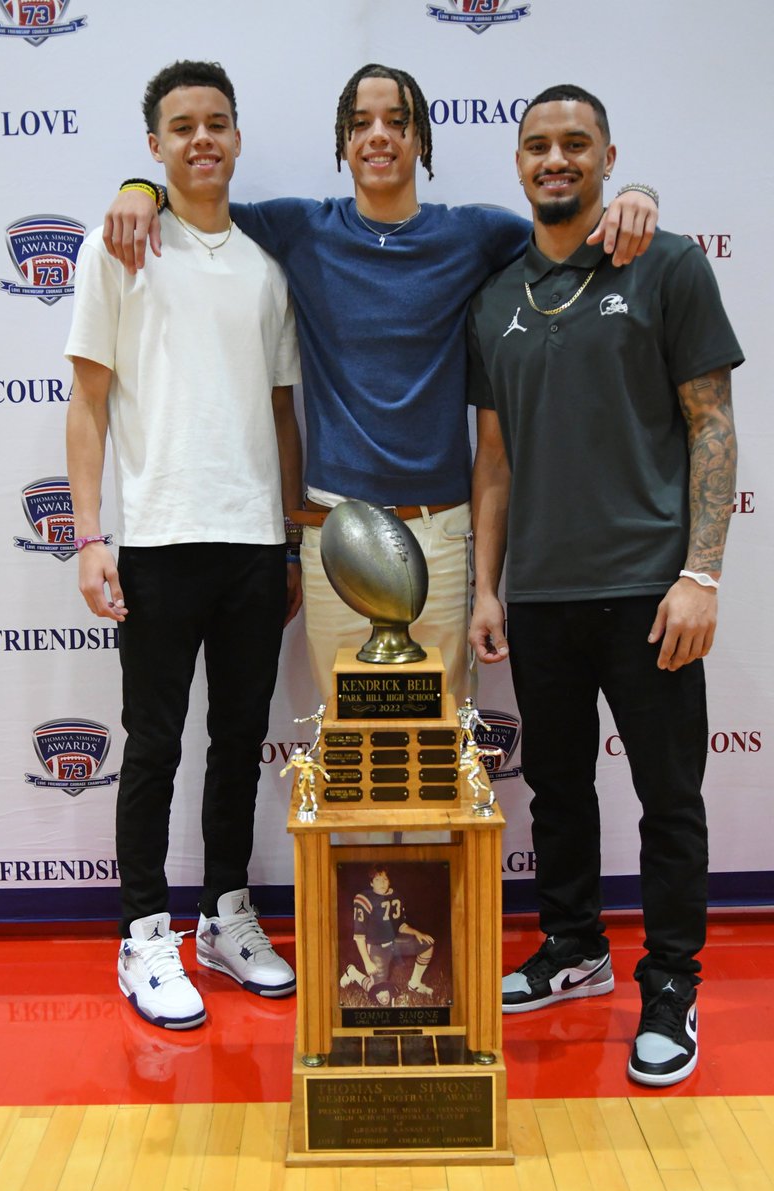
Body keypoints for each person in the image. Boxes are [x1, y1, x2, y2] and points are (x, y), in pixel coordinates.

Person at [101, 63, 659, 706]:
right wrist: (140, 187)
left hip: (443, 534)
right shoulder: (301, 228)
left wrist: (637, 192)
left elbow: (569, 225)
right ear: (342, 142)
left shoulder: (474, 234)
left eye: (398, 122)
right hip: (336, 534)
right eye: (361, 123)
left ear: (421, 140)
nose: (379, 136)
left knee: (437, 742)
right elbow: (200, 194)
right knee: (349, 745)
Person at [467, 85, 742, 1086]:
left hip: (647, 591)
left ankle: (668, 985)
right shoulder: (494, 296)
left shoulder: (662, 262)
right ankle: (573, 948)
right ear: (517, 163)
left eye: (574, 144)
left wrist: (699, 572)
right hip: (538, 594)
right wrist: (487, 590)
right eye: (537, 145)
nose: (555, 159)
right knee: (555, 789)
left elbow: (708, 424)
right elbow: (491, 461)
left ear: (605, 155)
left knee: (668, 797)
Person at [65, 61, 302, 1030]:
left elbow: (283, 417)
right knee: (155, 745)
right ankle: (142, 934)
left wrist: (288, 541)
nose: (201, 139)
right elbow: (85, 405)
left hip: (252, 544)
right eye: (180, 127)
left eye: (216, 123)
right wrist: (87, 539)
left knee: (239, 744)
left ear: (236, 138)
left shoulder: (264, 267)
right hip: (158, 541)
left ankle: (225, 916)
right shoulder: (117, 244)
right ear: (155, 147)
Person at [339, 864, 436, 1000]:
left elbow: (401, 925)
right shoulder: (364, 899)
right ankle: (353, 973)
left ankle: (415, 983)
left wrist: (417, 933)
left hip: (396, 942)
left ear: (389, 881)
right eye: (377, 880)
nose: (382, 883)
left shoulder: (396, 896)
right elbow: (359, 936)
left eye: (385, 879)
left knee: (427, 945)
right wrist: (367, 961)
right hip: (377, 948)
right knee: (382, 996)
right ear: (371, 883)